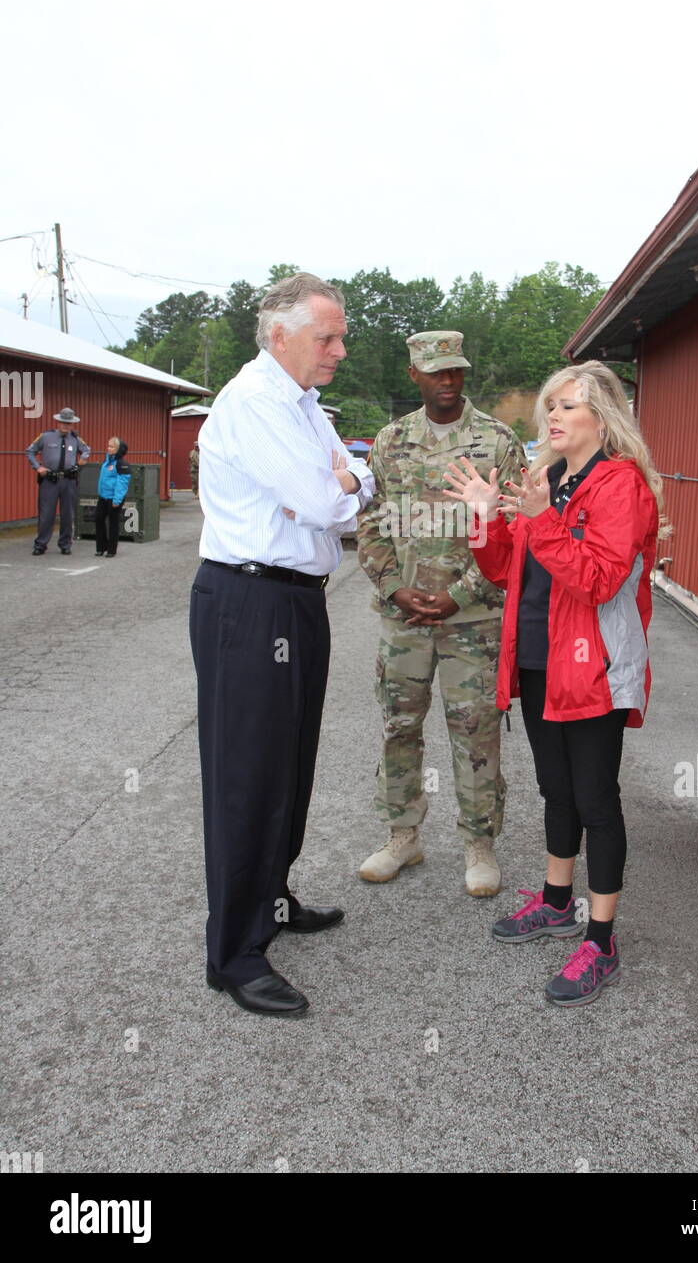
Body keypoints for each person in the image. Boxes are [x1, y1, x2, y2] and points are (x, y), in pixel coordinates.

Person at [443, 361, 665, 1007]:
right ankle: (557, 901)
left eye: (569, 406)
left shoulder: (619, 485)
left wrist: (539, 520)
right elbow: (503, 568)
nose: (554, 418)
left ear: (604, 416)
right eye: (551, 408)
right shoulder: (548, 478)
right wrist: (488, 519)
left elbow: (596, 579)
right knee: (555, 787)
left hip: (592, 664)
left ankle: (601, 940)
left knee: (596, 796)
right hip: (539, 659)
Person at [189, 273, 373, 1019]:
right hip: (250, 600)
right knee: (248, 774)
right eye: (326, 337)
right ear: (279, 335)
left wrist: (348, 479)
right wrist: (348, 485)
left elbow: (355, 479)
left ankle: (271, 896)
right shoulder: (257, 404)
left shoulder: (303, 407)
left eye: (340, 337)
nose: (339, 350)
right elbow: (335, 501)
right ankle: (234, 953)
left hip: (295, 599)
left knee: (290, 763)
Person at [356, 331, 524, 896]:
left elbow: (513, 530)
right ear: (415, 376)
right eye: (436, 372)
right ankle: (403, 836)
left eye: (455, 370)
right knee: (398, 726)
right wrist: (395, 588)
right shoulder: (390, 440)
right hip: (403, 619)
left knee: (475, 732)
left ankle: (480, 844)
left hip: (472, 621)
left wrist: (463, 594)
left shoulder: (497, 441)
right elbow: (373, 523)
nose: (447, 381)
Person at [26, 407, 91, 555]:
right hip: (50, 481)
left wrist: (83, 458)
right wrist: (38, 467)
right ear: (58, 422)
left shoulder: (75, 439)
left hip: (69, 480)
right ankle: (40, 544)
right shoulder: (46, 436)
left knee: (68, 514)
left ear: (72, 424)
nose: (65, 426)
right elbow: (30, 451)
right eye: (63, 423)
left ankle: (65, 544)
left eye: (68, 424)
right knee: (46, 514)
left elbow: (87, 449)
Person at [94, 437, 131, 557]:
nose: (108, 448)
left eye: (112, 447)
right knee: (99, 520)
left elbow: (122, 483)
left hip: (114, 498)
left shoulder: (121, 464)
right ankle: (101, 547)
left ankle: (111, 549)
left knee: (113, 524)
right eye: (108, 446)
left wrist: (117, 499)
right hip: (103, 497)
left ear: (118, 449)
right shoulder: (106, 462)